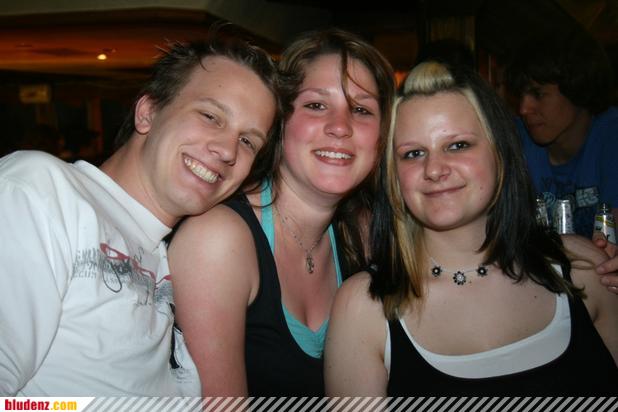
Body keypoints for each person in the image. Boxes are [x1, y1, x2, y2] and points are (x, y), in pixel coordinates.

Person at [0, 33, 279, 395]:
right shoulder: (41, 189)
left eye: (247, 141)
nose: (228, 150)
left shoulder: (168, 257)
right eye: (211, 116)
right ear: (148, 112)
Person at [325, 61, 618, 396]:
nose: (434, 169)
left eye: (458, 145)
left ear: (499, 152)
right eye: (414, 153)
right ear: (393, 176)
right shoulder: (363, 309)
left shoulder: (584, 268)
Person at [169, 28, 395, 396]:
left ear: (382, 137)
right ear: (279, 122)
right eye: (316, 105)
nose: (340, 126)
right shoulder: (217, 240)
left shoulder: (364, 236)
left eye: (361, 109)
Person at [505, 31, 618, 239]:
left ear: (577, 87)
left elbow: (611, 242)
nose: (523, 109)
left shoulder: (612, 135)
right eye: (520, 95)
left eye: (538, 94)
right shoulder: (513, 139)